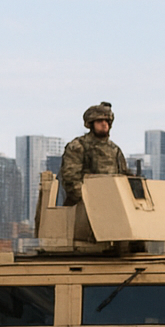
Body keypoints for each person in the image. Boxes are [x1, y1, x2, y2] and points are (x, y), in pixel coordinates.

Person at [58, 101, 130, 242]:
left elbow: (123, 178)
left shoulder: (115, 150)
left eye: (106, 121)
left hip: (114, 208)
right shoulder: (78, 147)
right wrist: (92, 200)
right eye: (99, 121)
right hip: (86, 209)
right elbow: (71, 179)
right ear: (91, 124)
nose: (104, 124)